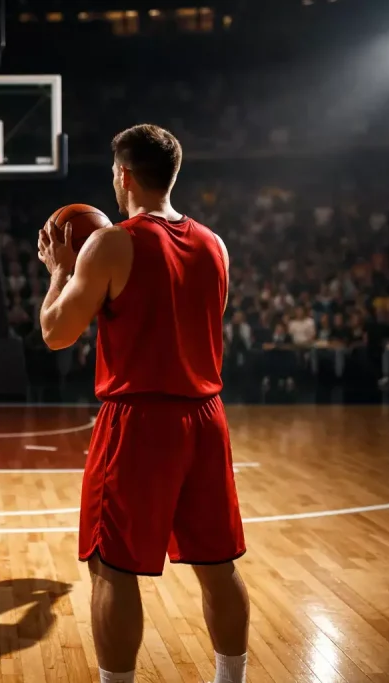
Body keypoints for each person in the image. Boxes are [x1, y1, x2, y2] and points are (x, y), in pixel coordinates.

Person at [37, 124, 249, 683]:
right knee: (218, 566)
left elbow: (57, 333)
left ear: (123, 175)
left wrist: (59, 273)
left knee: (111, 568)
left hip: (138, 421)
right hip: (206, 417)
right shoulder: (215, 244)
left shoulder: (112, 242)